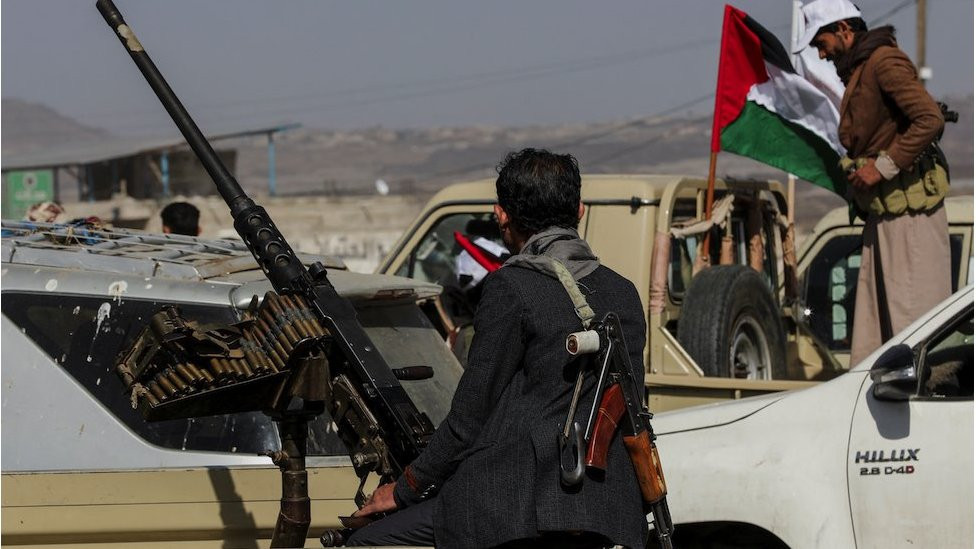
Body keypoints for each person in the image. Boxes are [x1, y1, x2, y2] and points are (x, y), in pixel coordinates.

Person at [346, 148, 648, 549]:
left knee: (364, 542)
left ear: (502, 215)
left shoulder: (512, 287)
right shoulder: (623, 291)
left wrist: (403, 488)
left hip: (514, 505)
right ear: (579, 210)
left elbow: (469, 420)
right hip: (608, 509)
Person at [797, 0, 950, 365]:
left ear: (845, 30)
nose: (820, 52)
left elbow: (929, 120)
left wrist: (881, 167)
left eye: (821, 42)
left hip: (910, 217)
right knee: (878, 343)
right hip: (886, 215)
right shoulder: (861, 69)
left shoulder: (884, 61)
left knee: (913, 338)